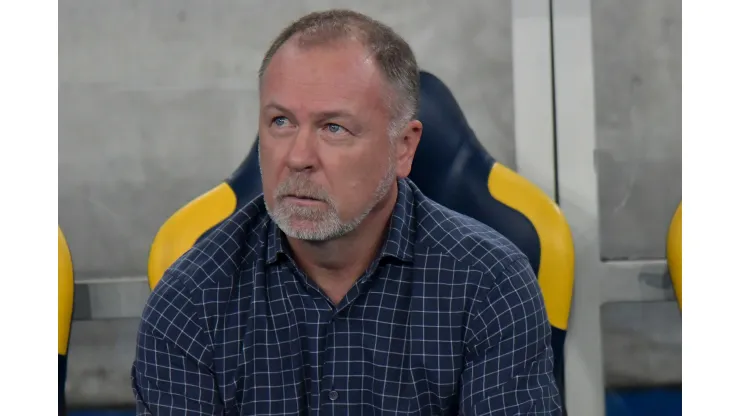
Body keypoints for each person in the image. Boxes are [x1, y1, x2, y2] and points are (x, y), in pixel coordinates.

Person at [131, 9, 562, 416]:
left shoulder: (489, 283)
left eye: (333, 128)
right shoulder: (191, 299)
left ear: (403, 147)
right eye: (281, 122)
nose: (298, 157)